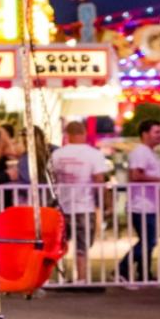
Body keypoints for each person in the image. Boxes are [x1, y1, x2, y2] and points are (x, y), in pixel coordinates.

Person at [50, 121, 108, 282]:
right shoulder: (93, 154)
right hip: (84, 205)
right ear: (83, 133)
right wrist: (105, 201)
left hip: (63, 205)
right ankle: (81, 277)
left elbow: (52, 178)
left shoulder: (58, 155)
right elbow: (99, 179)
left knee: (60, 243)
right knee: (83, 245)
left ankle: (59, 277)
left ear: (67, 135)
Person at [117, 119, 160, 283]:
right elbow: (135, 175)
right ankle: (122, 268)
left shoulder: (148, 152)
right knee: (149, 241)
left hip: (148, 204)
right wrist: (159, 181)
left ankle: (144, 273)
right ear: (145, 134)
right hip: (141, 205)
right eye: (156, 132)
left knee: (148, 241)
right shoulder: (141, 152)